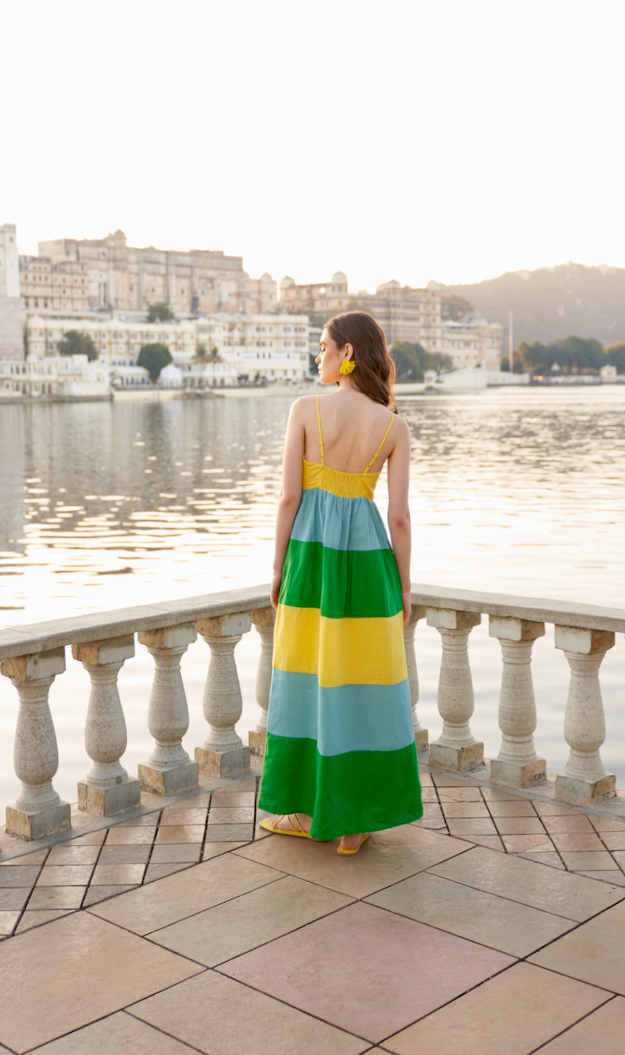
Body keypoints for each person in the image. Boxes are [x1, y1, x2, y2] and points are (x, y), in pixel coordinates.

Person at [257, 311, 423, 854]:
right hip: (369, 563)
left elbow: (288, 498)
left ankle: (309, 812)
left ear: (348, 352)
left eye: (323, 347)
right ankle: (354, 822)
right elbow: (399, 518)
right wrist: (402, 587)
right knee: (363, 686)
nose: (317, 356)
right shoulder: (393, 425)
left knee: (307, 681)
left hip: (313, 559)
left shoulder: (305, 410)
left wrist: (278, 567)